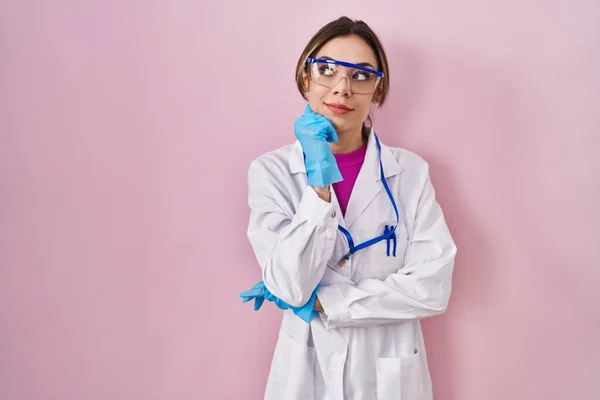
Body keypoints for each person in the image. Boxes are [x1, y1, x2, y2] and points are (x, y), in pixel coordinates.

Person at [241, 16, 457, 400]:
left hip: (391, 377)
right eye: (326, 70)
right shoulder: (271, 173)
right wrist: (319, 184)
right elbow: (291, 287)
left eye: (361, 76)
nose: (342, 88)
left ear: (378, 90)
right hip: (304, 373)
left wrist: (326, 301)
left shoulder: (409, 173)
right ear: (305, 79)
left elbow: (431, 288)